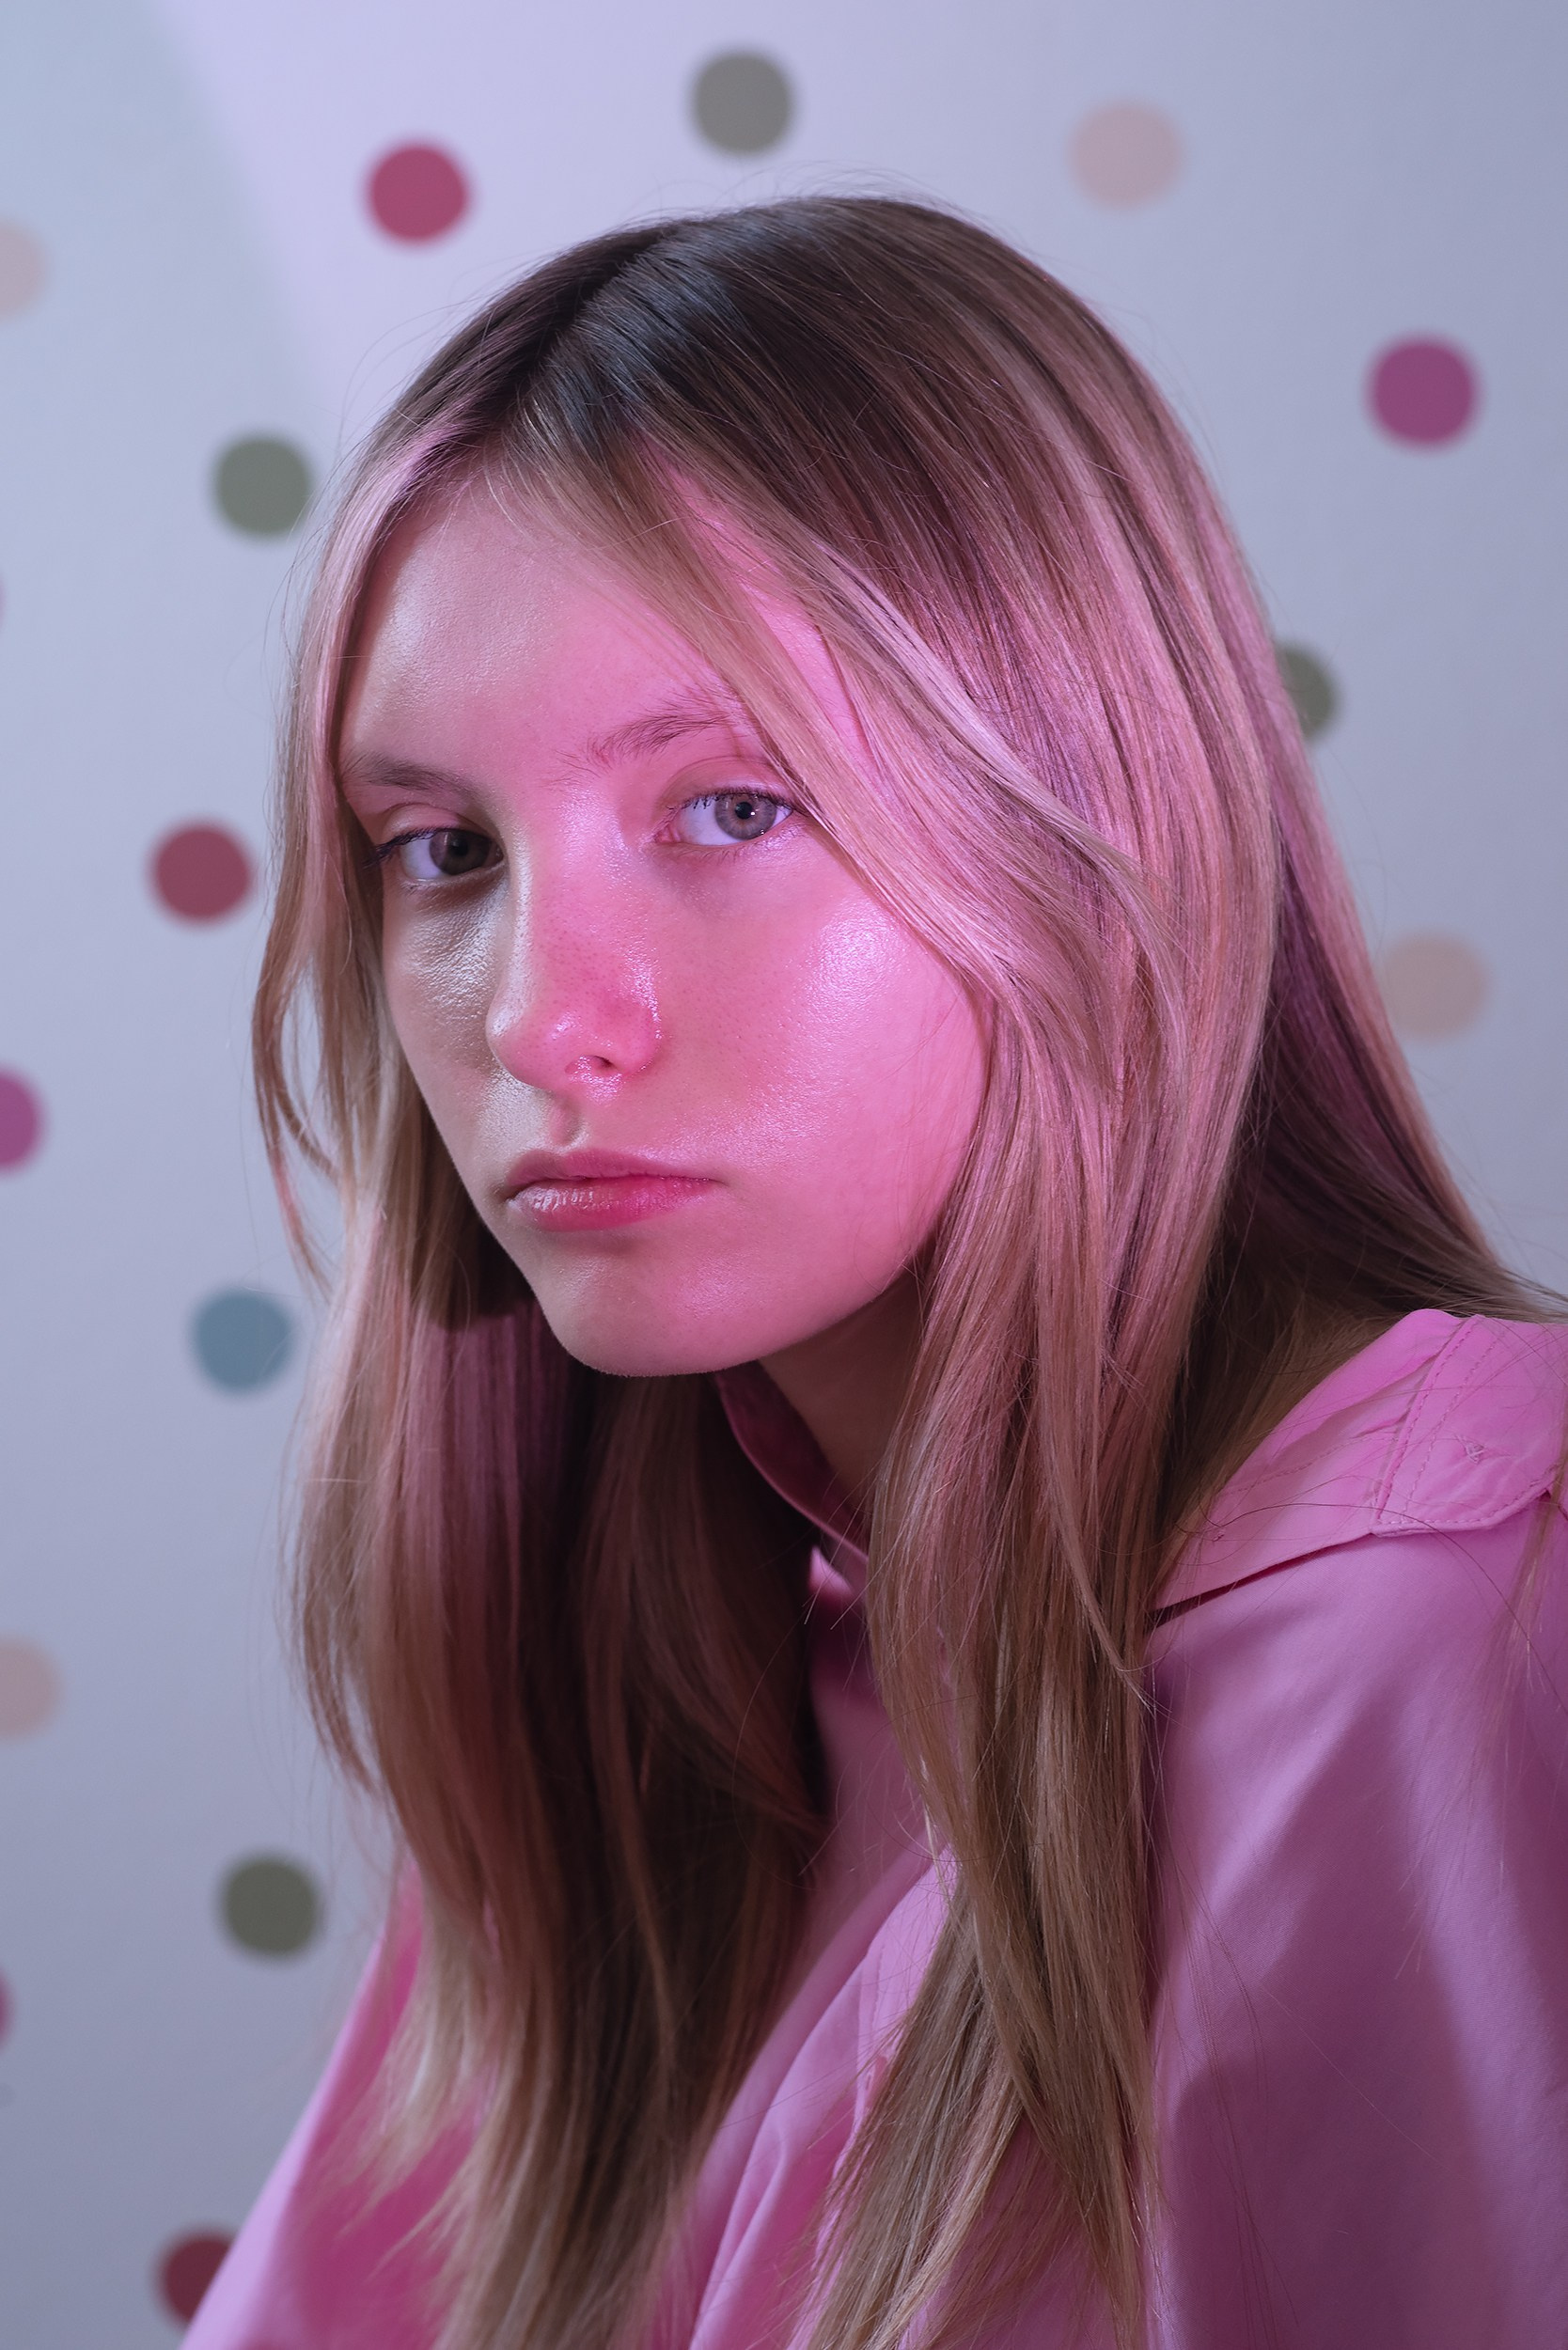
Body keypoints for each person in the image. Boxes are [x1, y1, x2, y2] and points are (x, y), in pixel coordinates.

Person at [189, 197, 1568, 2350]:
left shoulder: (1464, 1635)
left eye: (732, 806)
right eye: (443, 850)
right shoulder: (621, 1735)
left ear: (1091, 820)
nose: (541, 1016)